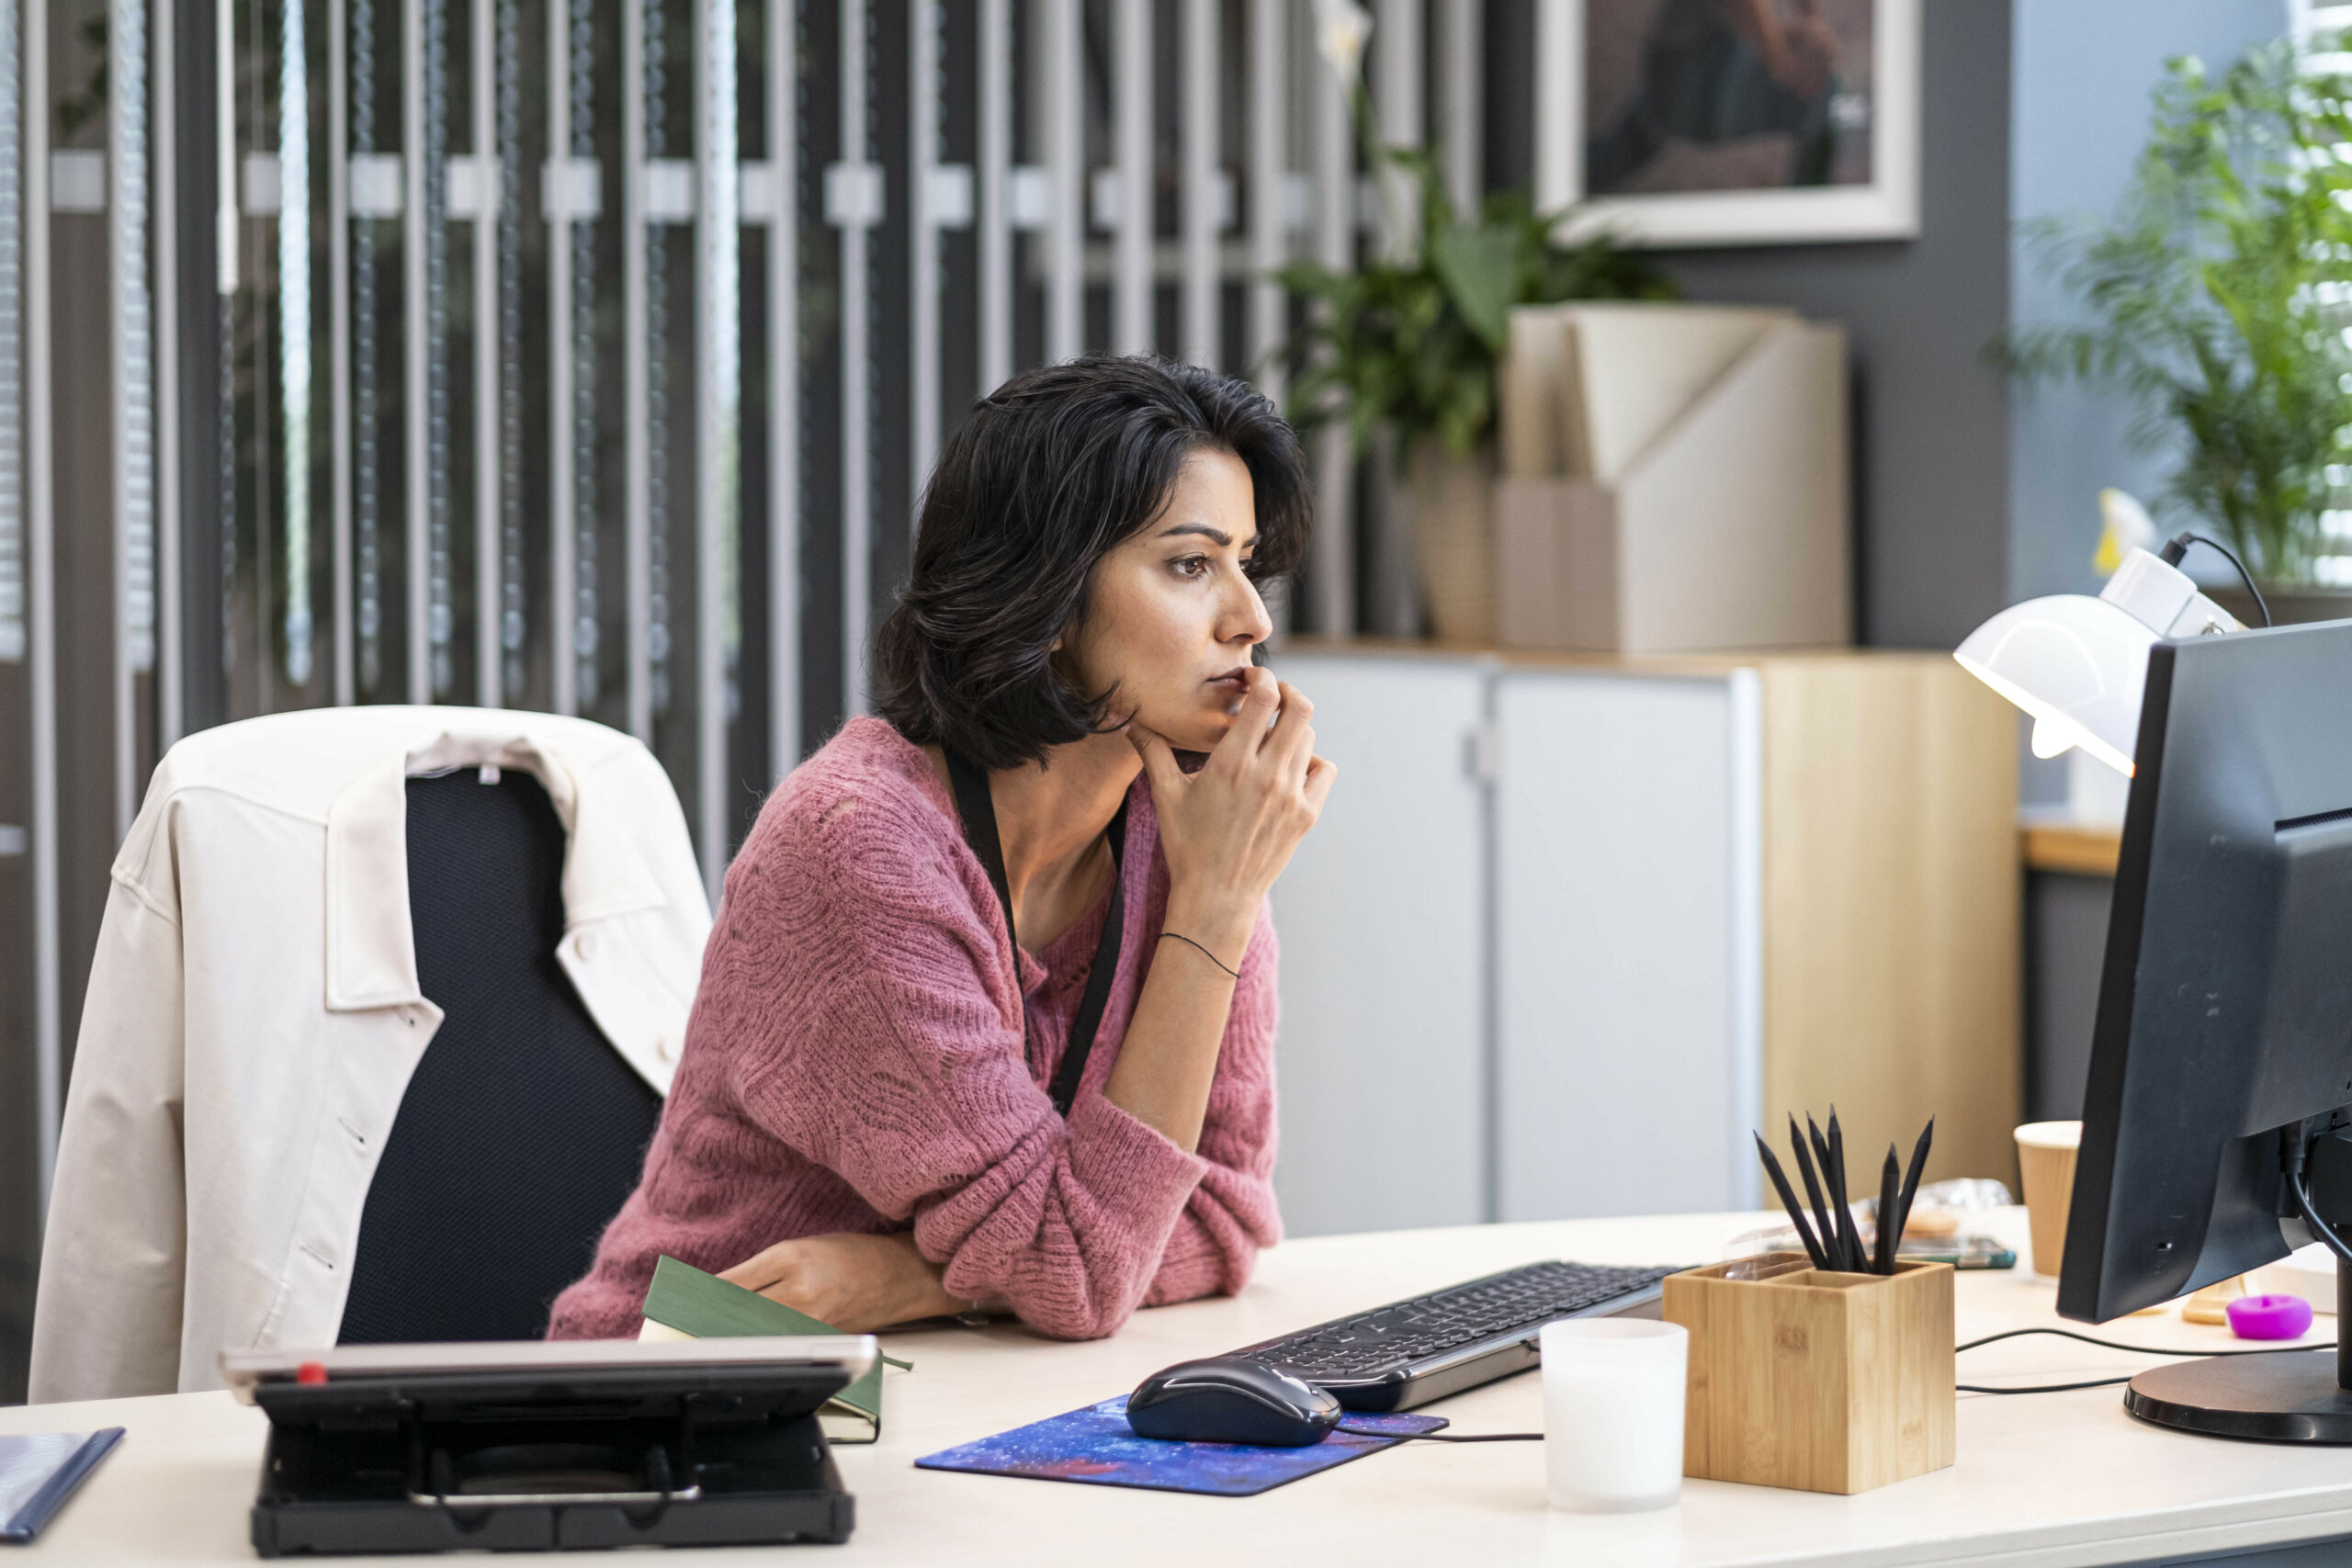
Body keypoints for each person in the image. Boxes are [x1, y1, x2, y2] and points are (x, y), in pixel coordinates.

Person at [548, 355, 1335, 1342]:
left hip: (952, 1384)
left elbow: (1221, 1219)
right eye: (1190, 565)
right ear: (1046, 596)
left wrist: (911, 1280)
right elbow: (1080, 1275)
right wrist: (1215, 908)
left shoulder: (1190, 832)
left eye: (1245, 562)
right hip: (694, 1406)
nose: (1252, 619)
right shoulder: (862, 851)